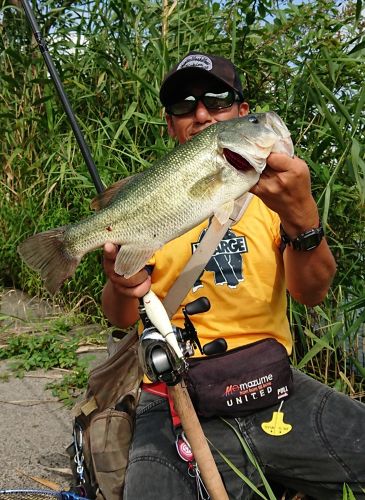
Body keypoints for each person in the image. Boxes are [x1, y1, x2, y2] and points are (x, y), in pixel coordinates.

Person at [101, 52, 365, 499]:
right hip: (174, 394)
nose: (201, 113)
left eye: (217, 100)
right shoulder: (150, 201)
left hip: (274, 386)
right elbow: (119, 316)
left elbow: (312, 293)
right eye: (184, 106)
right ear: (170, 124)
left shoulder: (275, 194)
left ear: (241, 113)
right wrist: (122, 283)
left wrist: (304, 221)